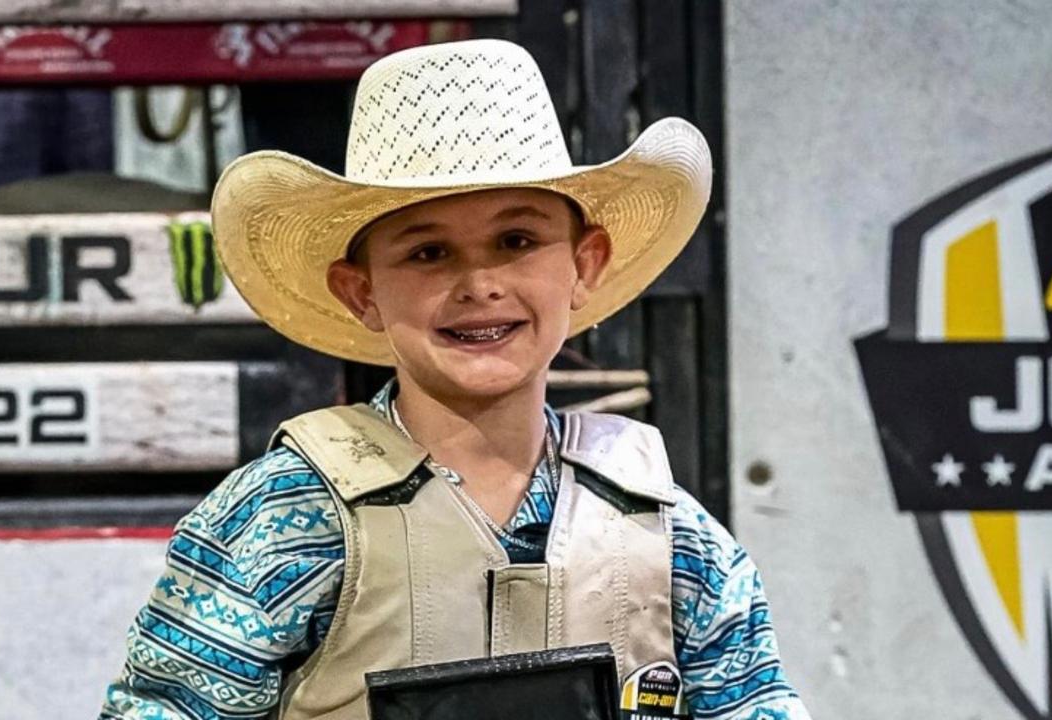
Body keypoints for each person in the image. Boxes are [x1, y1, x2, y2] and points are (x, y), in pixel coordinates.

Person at [100, 39, 811, 720]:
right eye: (428, 251)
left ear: (585, 266)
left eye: (516, 241)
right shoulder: (283, 521)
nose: (479, 285)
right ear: (361, 292)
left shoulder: (669, 535)